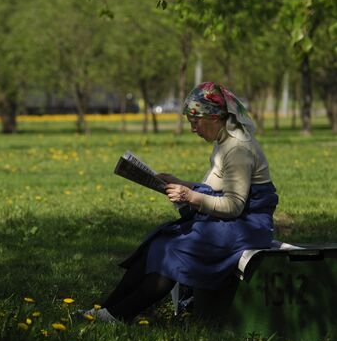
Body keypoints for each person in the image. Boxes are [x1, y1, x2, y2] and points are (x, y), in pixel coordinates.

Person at [86, 82, 279, 323]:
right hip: (233, 222)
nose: (192, 128)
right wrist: (180, 183)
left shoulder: (238, 149)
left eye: (195, 121)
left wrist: (190, 196)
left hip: (247, 226)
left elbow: (234, 206)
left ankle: (118, 314)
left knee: (175, 250)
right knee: (159, 241)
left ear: (214, 116)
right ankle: (107, 310)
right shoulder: (225, 142)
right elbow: (218, 188)